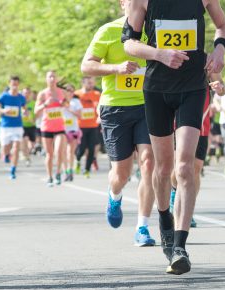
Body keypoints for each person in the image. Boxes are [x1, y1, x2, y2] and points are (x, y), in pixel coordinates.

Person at [124, 0, 225, 274]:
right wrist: (159, 54)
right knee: (163, 168)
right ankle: (163, 219)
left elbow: (222, 26)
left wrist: (219, 50)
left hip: (193, 88)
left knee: (185, 167)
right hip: (157, 89)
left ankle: (180, 245)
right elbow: (129, 43)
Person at [81, 0, 156, 247]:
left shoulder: (154, 29)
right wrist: (116, 68)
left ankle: (142, 227)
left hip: (148, 106)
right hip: (115, 108)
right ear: (123, 3)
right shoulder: (109, 31)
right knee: (121, 174)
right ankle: (115, 196)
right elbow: (87, 66)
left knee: (148, 163)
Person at [170, 74, 225, 228]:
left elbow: (222, 89)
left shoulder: (207, 62)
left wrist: (220, 88)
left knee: (195, 169)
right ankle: (174, 194)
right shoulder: (175, 57)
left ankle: (188, 209)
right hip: (178, 123)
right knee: (178, 168)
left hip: (201, 125)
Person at [35, 71, 67, 187]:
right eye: (50, 76)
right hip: (47, 127)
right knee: (49, 154)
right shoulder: (42, 94)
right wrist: (45, 104)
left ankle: (58, 173)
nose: (52, 78)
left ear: (57, 79)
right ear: (46, 79)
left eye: (54, 76)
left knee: (59, 151)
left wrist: (63, 103)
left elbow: (67, 105)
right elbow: (36, 111)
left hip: (60, 127)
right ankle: (49, 176)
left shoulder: (61, 92)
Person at [0, 76, 27, 180]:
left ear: (18, 84)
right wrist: (3, 111)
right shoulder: (4, 96)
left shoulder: (21, 97)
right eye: (13, 84)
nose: (15, 86)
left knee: (16, 148)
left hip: (17, 126)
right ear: (9, 84)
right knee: (5, 148)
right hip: (5, 126)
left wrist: (25, 112)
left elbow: (25, 108)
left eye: (16, 84)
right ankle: (6, 154)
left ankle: (13, 169)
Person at [75, 77, 101, 178]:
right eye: (88, 82)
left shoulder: (97, 94)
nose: (91, 84)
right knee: (81, 148)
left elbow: (100, 108)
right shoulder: (77, 94)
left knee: (91, 148)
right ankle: (77, 160)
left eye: (92, 82)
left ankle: (87, 169)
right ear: (83, 82)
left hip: (93, 125)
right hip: (80, 126)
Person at [63, 84, 83, 182]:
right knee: (62, 152)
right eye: (68, 90)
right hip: (61, 130)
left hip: (73, 130)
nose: (70, 92)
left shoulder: (76, 102)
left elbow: (80, 116)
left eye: (72, 91)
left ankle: (70, 170)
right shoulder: (60, 101)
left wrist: (70, 109)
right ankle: (65, 170)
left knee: (70, 151)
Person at [21, 88, 37, 166]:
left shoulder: (34, 103)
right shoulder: (19, 103)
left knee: (32, 144)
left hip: (32, 125)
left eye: (27, 93)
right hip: (22, 126)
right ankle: (27, 158)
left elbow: (37, 113)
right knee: (25, 140)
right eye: (24, 93)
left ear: (30, 94)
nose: (26, 95)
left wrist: (33, 119)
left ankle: (26, 154)